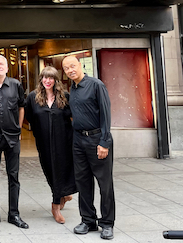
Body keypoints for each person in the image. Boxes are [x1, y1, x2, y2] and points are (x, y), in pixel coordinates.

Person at [62, 55, 115, 240]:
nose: (70, 70)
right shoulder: (73, 89)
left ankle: (107, 223)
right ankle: (88, 220)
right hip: (79, 141)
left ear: (80, 65)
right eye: (67, 68)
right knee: (83, 182)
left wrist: (104, 142)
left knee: (105, 184)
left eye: (72, 66)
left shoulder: (96, 85)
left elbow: (106, 115)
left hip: (96, 140)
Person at [24, 66, 76, 224]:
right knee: (49, 170)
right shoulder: (33, 97)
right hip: (44, 142)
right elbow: (29, 117)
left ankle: (56, 205)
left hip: (64, 141)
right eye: (45, 78)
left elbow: (72, 116)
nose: (48, 81)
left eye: (51, 78)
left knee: (60, 170)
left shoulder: (64, 96)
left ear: (56, 80)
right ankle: (64, 194)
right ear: (41, 79)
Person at [0, 54, 28, 229]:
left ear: (7, 68)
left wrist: (19, 128)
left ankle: (14, 214)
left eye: (2, 64)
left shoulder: (16, 85)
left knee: (13, 176)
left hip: (12, 137)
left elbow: (21, 106)